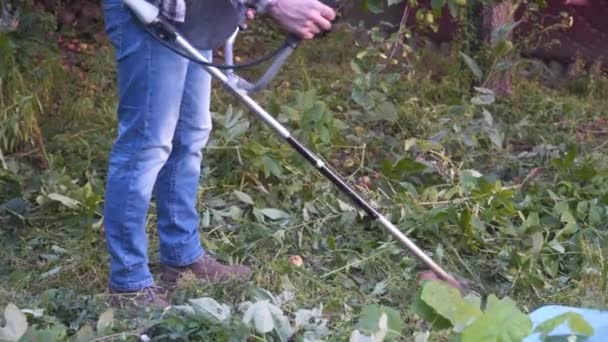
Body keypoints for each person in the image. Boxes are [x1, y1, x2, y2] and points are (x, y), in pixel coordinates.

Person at [102, 0, 336, 307]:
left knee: (190, 134)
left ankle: (181, 257)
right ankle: (129, 282)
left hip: (193, 14)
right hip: (148, 8)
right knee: (147, 145)